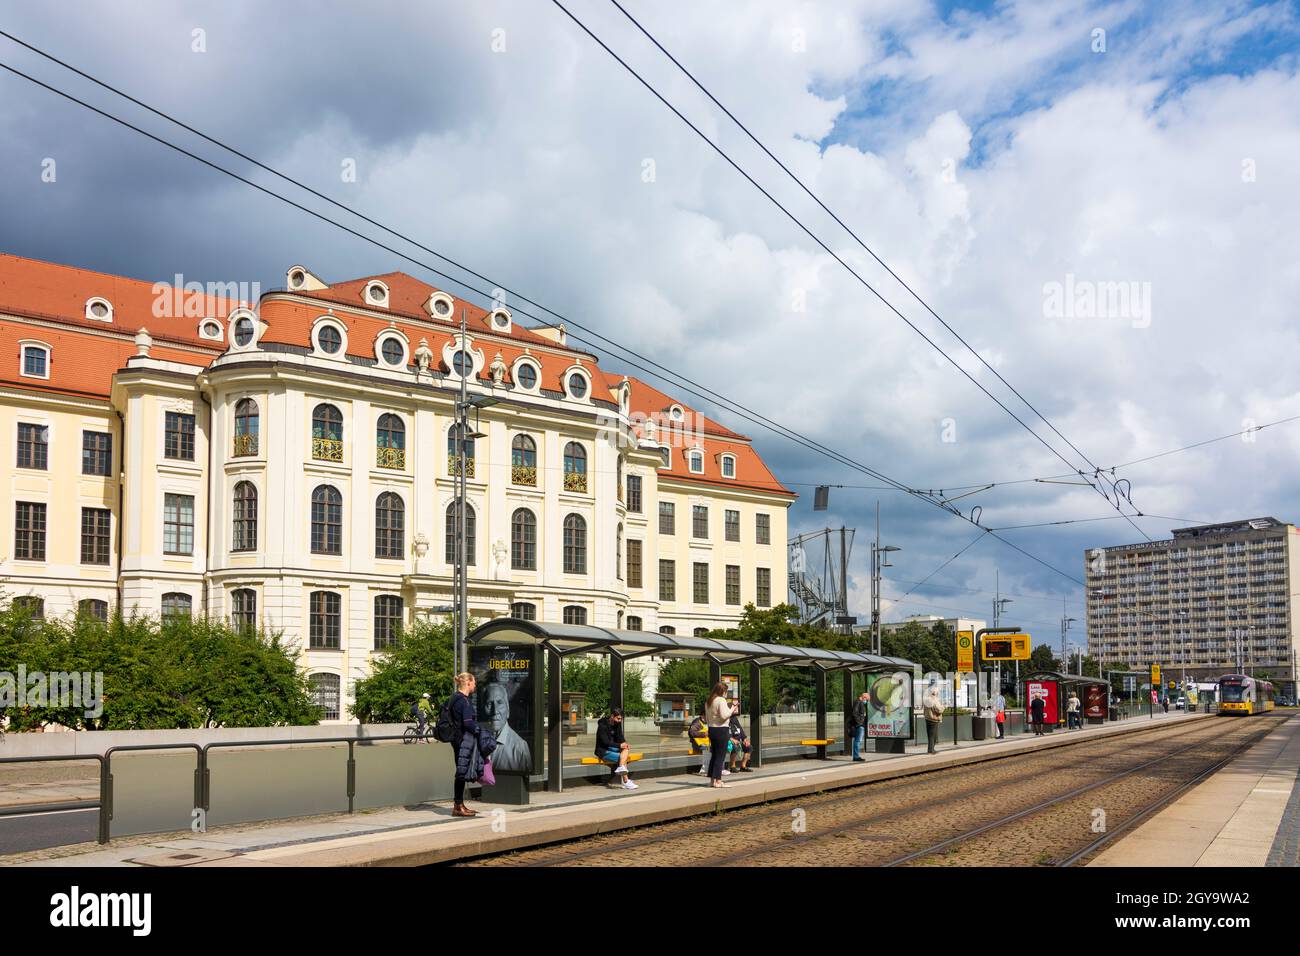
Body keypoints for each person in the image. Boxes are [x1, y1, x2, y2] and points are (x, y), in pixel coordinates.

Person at [448, 671, 482, 817]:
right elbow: (468, 723)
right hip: (463, 741)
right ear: (468, 683)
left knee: (461, 771)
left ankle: (460, 804)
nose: (475, 685)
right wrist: (480, 731)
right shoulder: (465, 701)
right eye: (474, 682)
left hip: (456, 739)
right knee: (461, 773)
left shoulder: (454, 698)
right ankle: (457, 806)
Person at [479, 679, 532, 773]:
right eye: (489, 704)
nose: (495, 711)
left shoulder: (519, 747)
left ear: (508, 710)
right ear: (483, 709)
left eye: (500, 703)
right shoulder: (478, 740)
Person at [595, 708, 638, 790]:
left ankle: (621, 768)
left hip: (612, 747)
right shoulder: (602, 725)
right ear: (612, 716)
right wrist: (619, 746)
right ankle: (626, 781)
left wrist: (624, 744)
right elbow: (605, 742)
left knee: (625, 750)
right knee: (621, 758)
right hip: (603, 750)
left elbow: (620, 737)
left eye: (621, 718)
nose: (620, 720)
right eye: (618, 718)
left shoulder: (617, 724)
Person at [705, 683, 737, 788]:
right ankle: (718, 781)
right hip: (721, 730)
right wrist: (732, 709)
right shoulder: (721, 700)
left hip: (712, 729)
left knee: (714, 756)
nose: (726, 693)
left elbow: (707, 718)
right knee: (720, 756)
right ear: (722, 691)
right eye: (726, 691)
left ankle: (712, 781)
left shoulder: (709, 701)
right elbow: (724, 716)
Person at [922, 681, 944, 754]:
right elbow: (938, 709)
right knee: (933, 736)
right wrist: (943, 707)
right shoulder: (932, 699)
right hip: (933, 719)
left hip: (928, 718)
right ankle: (931, 750)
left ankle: (931, 749)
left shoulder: (926, 698)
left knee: (931, 735)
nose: (937, 691)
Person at [851, 691, 869, 761]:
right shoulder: (858, 702)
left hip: (860, 724)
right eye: (867, 700)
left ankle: (856, 756)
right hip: (859, 725)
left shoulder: (859, 702)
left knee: (858, 741)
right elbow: (855, 714)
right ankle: (856, 756)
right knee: (857, 741)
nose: (866, 701)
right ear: (864, 697)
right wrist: (860, 723)